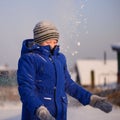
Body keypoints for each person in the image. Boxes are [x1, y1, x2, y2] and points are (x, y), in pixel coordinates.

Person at [17, 21, 112, 120]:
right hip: (38, 116)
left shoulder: (60, 59)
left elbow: (68, 84)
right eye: (48, 42)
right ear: (38, 40)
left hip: (60, 115)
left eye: (55, 42)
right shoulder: (29, 59)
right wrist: (39, 109)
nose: (52, 46)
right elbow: (25, 89)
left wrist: (91, 99)